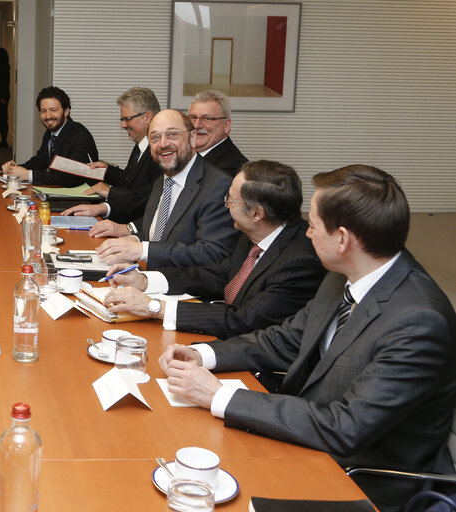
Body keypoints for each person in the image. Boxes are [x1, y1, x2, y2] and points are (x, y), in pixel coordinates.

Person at [159, 165, 456, 510]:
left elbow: (345, 428)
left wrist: (219, 395)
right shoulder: (344, 275)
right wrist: (204, 356)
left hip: (364, 479)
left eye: (313, 225)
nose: (306, 233)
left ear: (342, 240)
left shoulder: (418, 321)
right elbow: (285, 340)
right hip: (309, 438)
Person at [103, 160, 325, 339]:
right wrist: (145, 280)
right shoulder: (256, 233)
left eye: (231, 200)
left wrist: (153, 307)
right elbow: (218, 275)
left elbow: (242, 321)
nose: (225, 204)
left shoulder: (300, 261)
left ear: (257, 214)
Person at [93, 109, 236, 268]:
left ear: (193, 138)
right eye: (155, 137)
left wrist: (142, 249)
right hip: (147, 277)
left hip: (185, 289)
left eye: (172, 134)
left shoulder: (219, 186)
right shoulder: (163, 180)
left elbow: (211, 253)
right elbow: (159, 236)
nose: (163, 144)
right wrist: (133, 240)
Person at [62, 87, 161, 224]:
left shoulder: (160, 153)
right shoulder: (140, 145)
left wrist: (110, 192)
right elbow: (131, 182)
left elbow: (147, 197)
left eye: (127, 119)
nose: (122, 125)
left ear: (147, 117)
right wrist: (108, 170)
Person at [2, 86, 98, 186]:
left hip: (80, 196)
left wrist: (28, 174)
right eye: (43, 111)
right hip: (58, 192)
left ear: (66, 111)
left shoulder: (79, 136)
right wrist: (14, 169)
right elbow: (40, 161)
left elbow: (71, 178)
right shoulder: (50, 133)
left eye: (53, 110)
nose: (48, 116)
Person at [188, 90, 247, 175]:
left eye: (207, 118)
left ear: (226, 125)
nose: (197, 125)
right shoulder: (183, 156)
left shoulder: (232, 170)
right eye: (193, 117)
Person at [0, 47, 11, 148]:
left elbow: (2, 84)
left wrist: (1, 97)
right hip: (4, 96)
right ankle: (3, 140)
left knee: (0, 119)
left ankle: (3, 141)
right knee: (3, 118)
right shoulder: (6, 67)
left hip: (1, 97)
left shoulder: (0, 68)